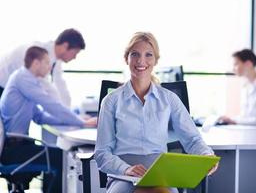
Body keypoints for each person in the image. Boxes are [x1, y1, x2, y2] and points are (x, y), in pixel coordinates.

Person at [94, 32, 217, 193]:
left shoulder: (169, 99)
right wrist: (126, 169)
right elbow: (102, 152)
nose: (141, 61)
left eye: (148, 55)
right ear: (127, 59)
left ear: (156, 60)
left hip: (160, 174)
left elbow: (192, 139)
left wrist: (206, 156)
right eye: (135, 54)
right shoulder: (111, 101)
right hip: (123, 175)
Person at [0, 46, 96, 192]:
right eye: (46, 62)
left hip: (15, 146)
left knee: (58, 154)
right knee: (60, 159)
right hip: (12, 151)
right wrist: (81, 122)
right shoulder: (23, 79)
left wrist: (73, 119)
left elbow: (40, 117)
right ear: (36, 63)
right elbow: (51, 104)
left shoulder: (24, 79)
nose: (49, 66)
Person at [0, 28, 85, 107]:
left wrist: (68, 111)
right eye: (75, 53)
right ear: (65, 46)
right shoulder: (37, 52)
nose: (74, 57)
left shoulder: (55, 60)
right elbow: (44, 86)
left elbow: (60, 84)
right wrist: (66, 114)